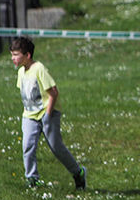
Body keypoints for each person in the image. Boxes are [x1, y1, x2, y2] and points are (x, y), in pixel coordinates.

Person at [9, 36, 86, 191]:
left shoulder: (39, 69)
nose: (13, 59)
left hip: (47, 113)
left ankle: (78, 173)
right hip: (30, 116)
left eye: (16, 55)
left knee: (56, 147)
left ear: (27, 55)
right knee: (28, 146)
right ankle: (32, 179)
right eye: (12, 55)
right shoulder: (21, 72)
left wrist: (48, 114)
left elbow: (53, 92)